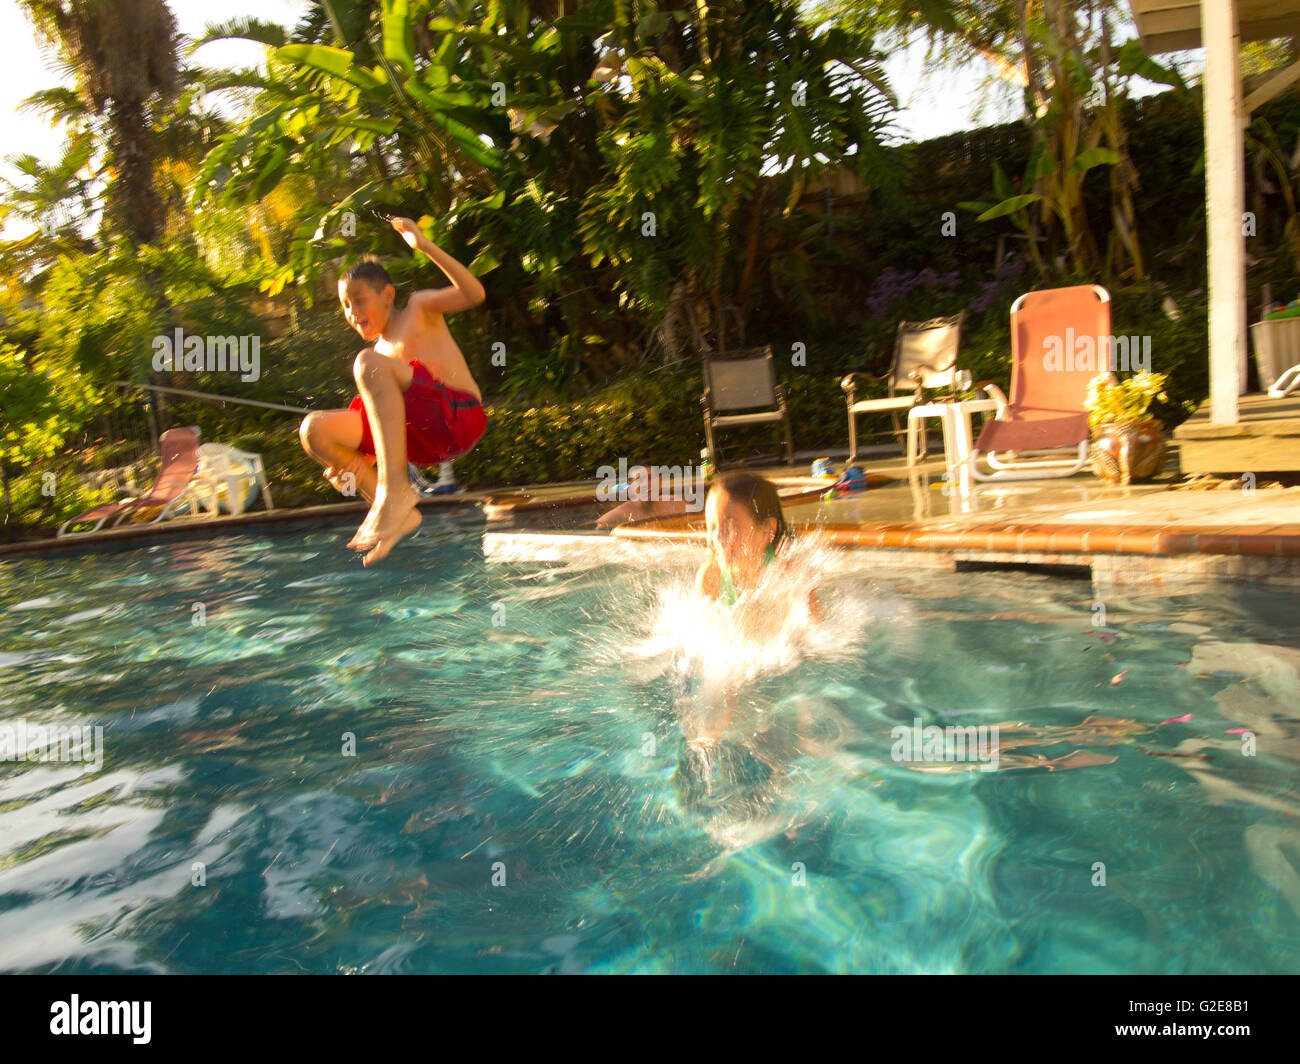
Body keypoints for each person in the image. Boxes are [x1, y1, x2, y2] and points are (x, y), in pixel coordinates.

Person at [299, 217, 486, 565]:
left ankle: (394, 491)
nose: (352, 312)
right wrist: (350, 466)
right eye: (345, 305)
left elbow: (474, 294)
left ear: (387, 296)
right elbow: (381, 439)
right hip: (425, 441)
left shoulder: (419, 309)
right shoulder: (379, 361)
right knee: (315, 431)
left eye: (358, 300)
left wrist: (426, 247)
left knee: (365, 363)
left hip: (461, 417)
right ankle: (397, 510)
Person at [695, 471, 822, 630]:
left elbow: (816, 631)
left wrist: (802, 586)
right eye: (712, 527)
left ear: (768, 530)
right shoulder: (710, 577)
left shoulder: (788, 568)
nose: (718, 537)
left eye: (730, 527)